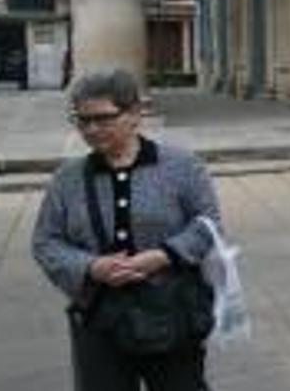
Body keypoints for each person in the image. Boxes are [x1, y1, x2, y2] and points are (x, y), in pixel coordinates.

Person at [32, 68, 219, 391]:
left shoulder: (182, 166)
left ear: (134, 114)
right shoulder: (68, 178)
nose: (91, 129)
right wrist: (91, 267)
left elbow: (208, 224)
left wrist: (163, 256)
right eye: (82, 120)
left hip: (171, 314)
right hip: (99, 318)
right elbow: (46, 241)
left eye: (103, 119)